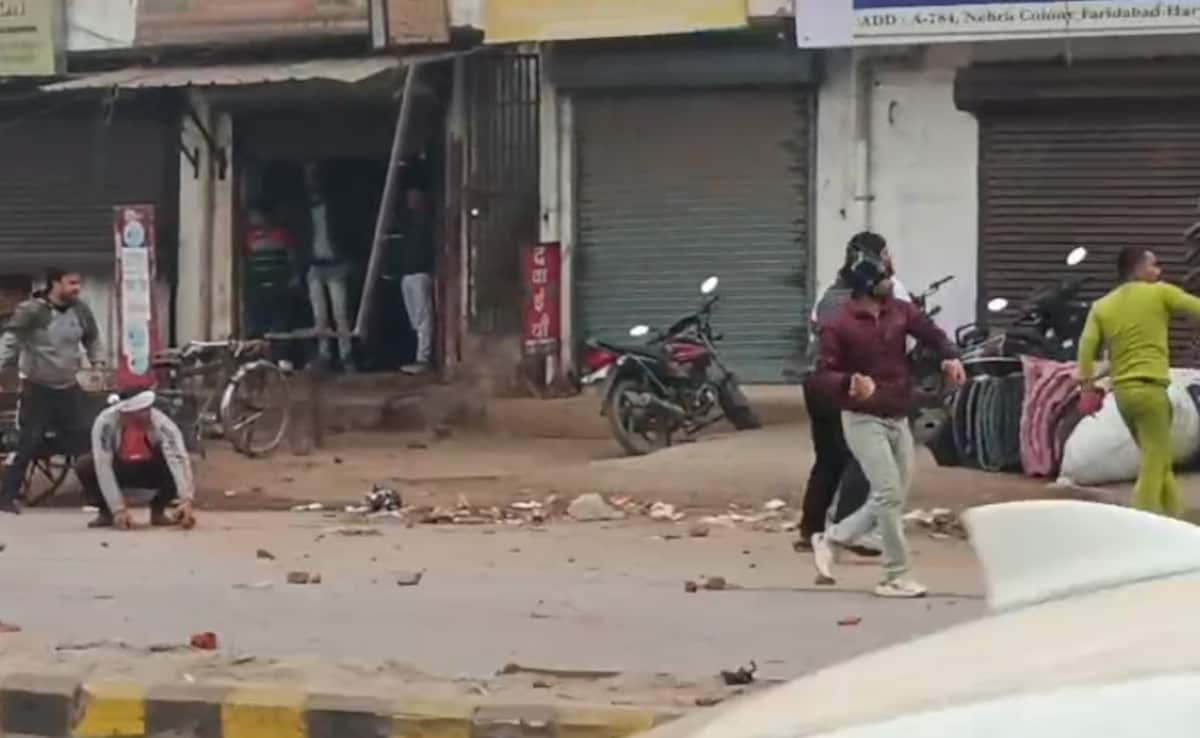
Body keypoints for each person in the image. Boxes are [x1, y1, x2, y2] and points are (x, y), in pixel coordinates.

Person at [810, 247, 964, 598]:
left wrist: (949, 358)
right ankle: (895, 575)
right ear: (867, 285)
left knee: (893, 497)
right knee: (889, 493)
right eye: (883, 277)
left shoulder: (901, 312)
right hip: (862, 418)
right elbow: (823, 373)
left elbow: (932, 334)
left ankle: (832, 537)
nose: (891, 282)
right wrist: (848, 382)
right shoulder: (840, 325)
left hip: (897, 413)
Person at [797, 232, 909, 552]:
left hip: (816, 383)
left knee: (828, 458)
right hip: (852, 383)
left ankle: (810, 529)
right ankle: (849, 528)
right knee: (861, 455)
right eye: (887, 253)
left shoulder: (829, 292)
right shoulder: (889, 289)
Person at [1077, 246, 1200, 518]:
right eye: (1153, 265)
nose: (1159, 271)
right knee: (1154, 462)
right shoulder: (1160, 292)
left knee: (1158, 459)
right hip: (1151, 391)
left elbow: (1086, 348)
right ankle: (1138, 521)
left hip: (1122, 396)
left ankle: (1174, 518)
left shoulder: (1103, 305)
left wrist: (1086, 387)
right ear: (1138, 269)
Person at [0, 269, 102, 514]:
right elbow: (11, 341)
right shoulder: (32, 311)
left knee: (82, 440)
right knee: (28, 442)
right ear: (55, 284)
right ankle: (6, 497)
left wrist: (97, 363)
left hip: (68, 386)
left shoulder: (80, 310)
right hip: (37, 387)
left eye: (79, 283)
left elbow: (92, 339)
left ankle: (95, 497)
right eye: (71, 283)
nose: (77, 288)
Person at [75, 390, 195, 530]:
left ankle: (158, 510)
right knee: (85, 466)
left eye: (147, 409)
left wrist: (186, 500)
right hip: (119, 467)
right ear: (127, 413)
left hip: (150, 469)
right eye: (141, 411)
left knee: (174, 462)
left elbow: (178, 457)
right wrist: (117, 509)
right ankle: (106, 512)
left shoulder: (161, 422)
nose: (146, 414)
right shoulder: (105, 423)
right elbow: (102, 464)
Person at [304, 163, 355, 371]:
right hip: (316, 266)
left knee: (340, 313)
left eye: (315, 178)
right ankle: (325, 354)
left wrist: (348, 259)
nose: (313, 184)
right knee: (320, 316)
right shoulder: (304, 210)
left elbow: (349, 234)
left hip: (336, 265)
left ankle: (346, 355)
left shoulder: (337, 208)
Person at [244, 205, 299, 338]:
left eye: (256, 216)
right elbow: (247, 260)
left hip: (279, 285)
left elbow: (292, 257)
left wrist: (294, 277)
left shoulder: (280, 235)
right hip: (259, 286)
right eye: (251, 217)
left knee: (279, 321)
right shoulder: (249, 238)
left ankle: (280, 349)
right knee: (261, 319)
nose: (253, 219)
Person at [397, 185, 435, 375]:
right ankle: (419, 356)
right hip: (407, 274)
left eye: (413, 196)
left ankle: (423, 359)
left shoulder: (428, 223)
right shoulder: (407, 223)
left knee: (422, 318)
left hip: (420, 274)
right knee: (415, 319)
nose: (410, 200)